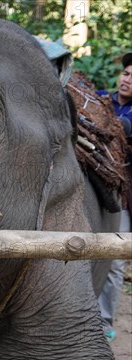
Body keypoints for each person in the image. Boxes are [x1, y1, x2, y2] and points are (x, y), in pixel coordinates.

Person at [97, 52, 132, 342]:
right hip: (92, 192)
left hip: (122, 198)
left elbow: (124, 128)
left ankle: (104, 323)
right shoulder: (102, 99)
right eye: (126, 73)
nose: (127, 79)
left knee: (114, 260)